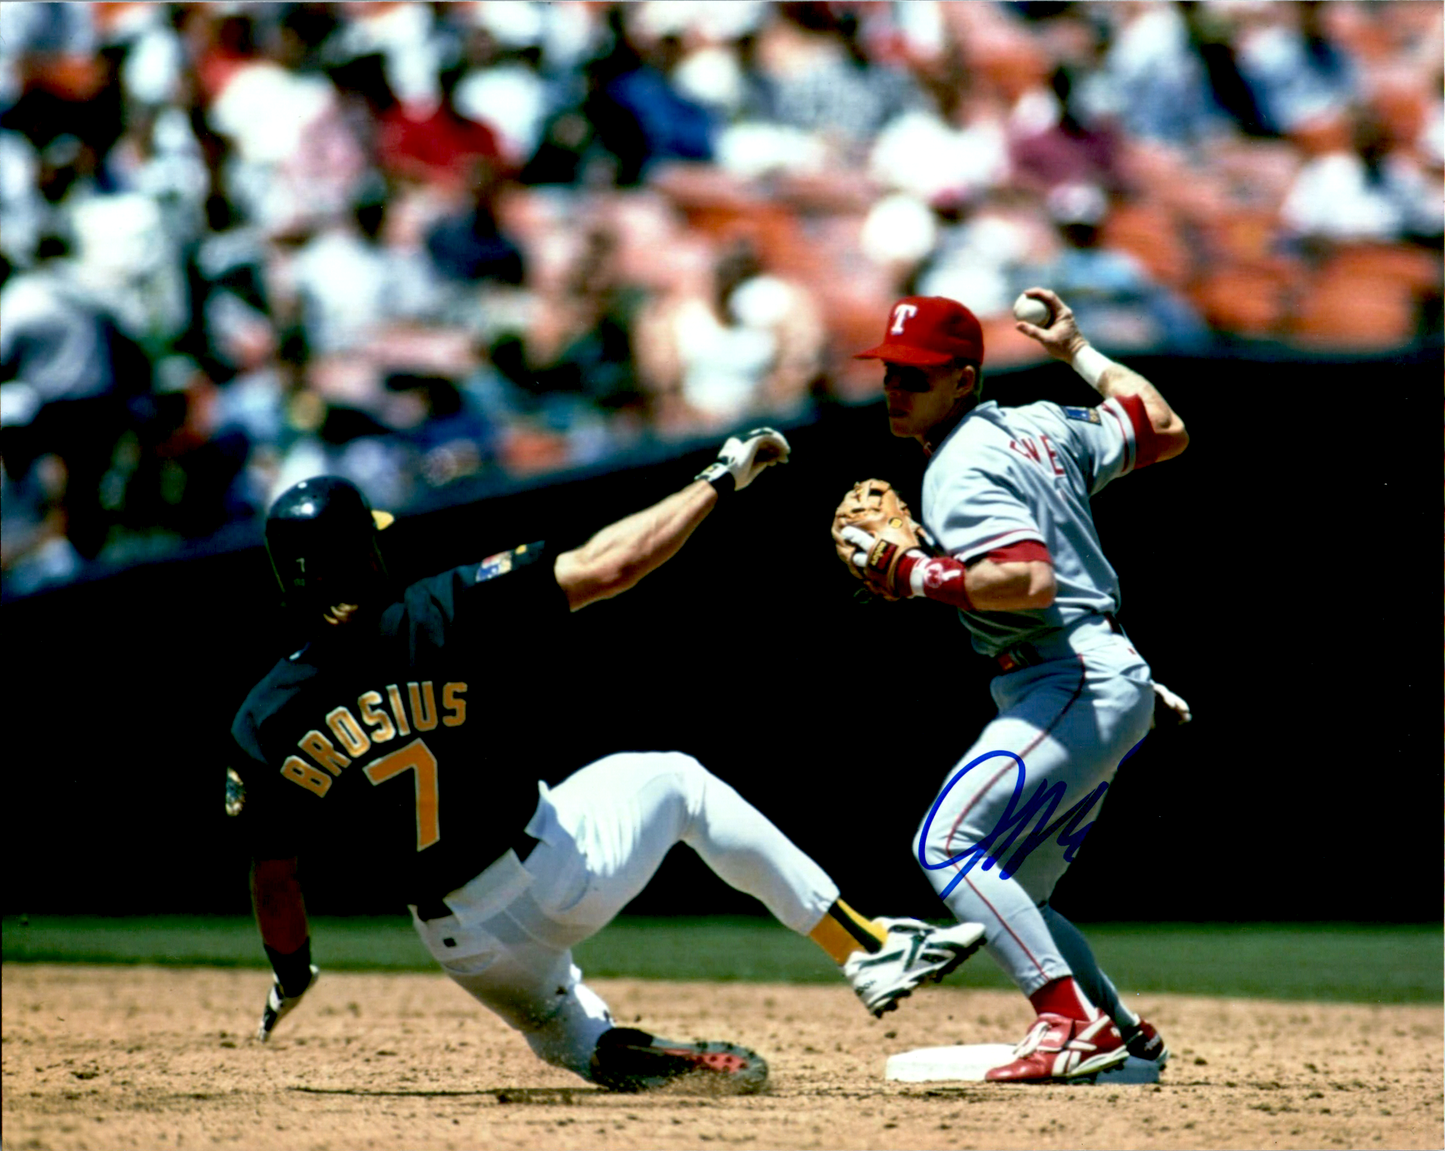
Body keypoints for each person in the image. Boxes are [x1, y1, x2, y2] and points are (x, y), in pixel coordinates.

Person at [228, 427, 985, 1094]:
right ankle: (869, 947)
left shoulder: (265, 713)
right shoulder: (441, 607)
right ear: (367, 549)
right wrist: (716, 481)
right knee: (679, 782)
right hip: (550, 867)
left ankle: (590, 1043)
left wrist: (293, 972)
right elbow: (612, 564)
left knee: (559, 1030)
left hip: (461, 945)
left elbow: (274, 874)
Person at [836, 291, 1190, 1082]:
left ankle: (1067, 1022)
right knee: (1021, 887)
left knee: (947, 843)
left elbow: (1026, 580)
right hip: (1099, 672)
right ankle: (1123, 1036)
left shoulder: (959, 463)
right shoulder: (1041, 422)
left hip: (1065, 677)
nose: (897, 389)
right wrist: (1078, 352)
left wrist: (915, 573)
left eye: (917, 377)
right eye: (891, 373)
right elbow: (1162, 428)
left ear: (962, 380)